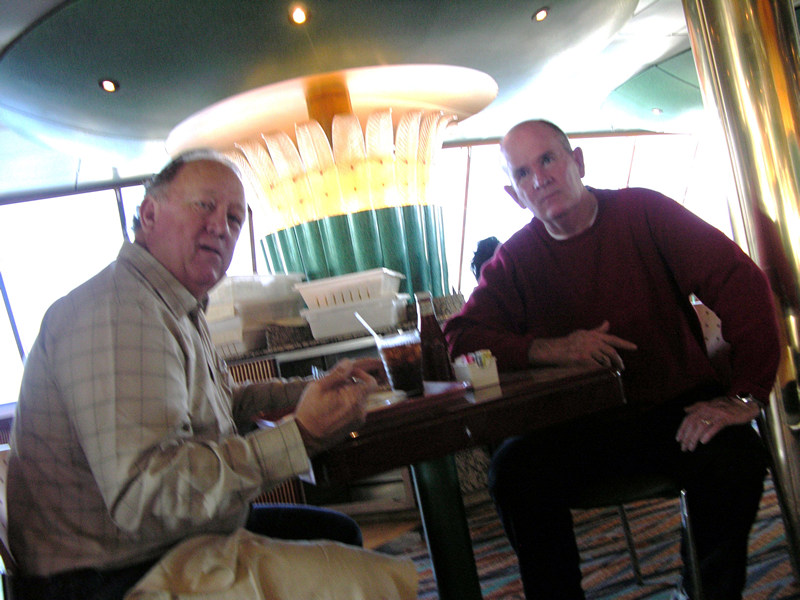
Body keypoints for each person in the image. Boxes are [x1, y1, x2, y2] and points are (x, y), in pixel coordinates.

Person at [8, 150, 415, 600]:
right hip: (103, 577)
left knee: (337, 532)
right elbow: (145, 494)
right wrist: (301, 436)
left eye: (235, 218)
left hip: (160, 544)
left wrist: (319, 387)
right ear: (149, 214)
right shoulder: (118, 311)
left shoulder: (170, 303)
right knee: (375, 584)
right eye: (204, 205)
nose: (221, 227)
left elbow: (222, 398)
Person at [443, 119, 781, 600]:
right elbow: (461, 337)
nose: (540, 179)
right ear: (514, 195)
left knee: (736, 455)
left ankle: (704, 591)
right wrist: (548, 348)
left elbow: (741, 284)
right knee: (513, 473)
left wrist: (746, 394)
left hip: (675, 410)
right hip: (576, 426)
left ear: (577, 162)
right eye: (523, 173)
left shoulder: (645, 212)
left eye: (548, 159)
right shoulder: (515, 260)